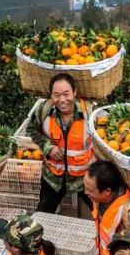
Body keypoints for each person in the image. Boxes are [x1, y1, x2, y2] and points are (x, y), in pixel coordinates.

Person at [29, 72, 95, 214]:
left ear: (75, 92)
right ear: (51, 95)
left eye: (66, 94)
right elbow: (31, 129)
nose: (62, 99)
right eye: (56, 95)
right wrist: (48, 147)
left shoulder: (88, 113)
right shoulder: (44, 110)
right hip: (53, 176)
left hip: (84, 177)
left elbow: (102, 140)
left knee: (97, 213)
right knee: (43, 214)